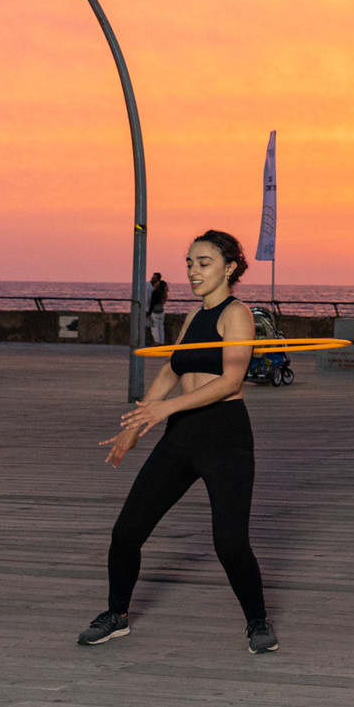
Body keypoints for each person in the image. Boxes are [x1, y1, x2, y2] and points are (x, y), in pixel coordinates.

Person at [85, 230, 277, 654]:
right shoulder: (193, 317)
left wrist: (164, 411)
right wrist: (135, 424)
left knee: (230, 542)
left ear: (229, 268)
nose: (193, 270)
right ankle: (116, 615)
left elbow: (230, 381)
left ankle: (258, 621)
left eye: (203, 262)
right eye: (189, 262)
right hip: (183, 435)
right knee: (126, 532)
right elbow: (171, 371)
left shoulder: (237, 314)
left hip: (225, 435)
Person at [146, 272, 169, 345]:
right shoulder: (163, 293)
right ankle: (162, 341)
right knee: (161, 327)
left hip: (155, 312)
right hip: (161, 311)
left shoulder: (155, 292)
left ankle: (157, 341)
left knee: (154, 327)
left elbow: (152, 303)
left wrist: (149, 314)